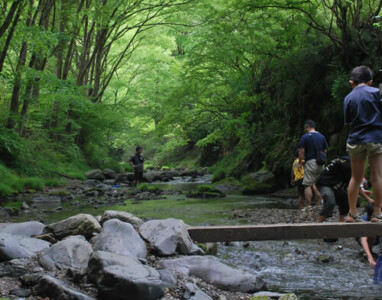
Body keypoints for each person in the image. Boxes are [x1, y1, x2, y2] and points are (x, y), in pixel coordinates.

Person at [344, 66, 382, 222]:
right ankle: (377, 212)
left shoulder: (348, 98)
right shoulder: (376, 93)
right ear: (370, 81)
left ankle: (352, 213)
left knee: (355, 178)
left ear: (352, 82)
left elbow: (348, 122)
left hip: (356, 139)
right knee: (377, 177)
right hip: (375, 138)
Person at [298, 120, 328, 209]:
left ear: (307, 126)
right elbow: (325, 151)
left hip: (310, 161)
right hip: (321, 162)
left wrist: (300, 163)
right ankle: (321, 203)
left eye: (305, 128)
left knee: (308, 184)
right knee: (320, 184)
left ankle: (308, 205)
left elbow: (301, 151)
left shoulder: (305, 137)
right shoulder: (322, 137)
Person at [315, 156, 351, 223]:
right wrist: (368, 199)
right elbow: (353, 185)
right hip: (324, 183)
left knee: (345, 201)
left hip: (335, 185)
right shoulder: (348, 164)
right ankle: (317, 223)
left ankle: (341, 224)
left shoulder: (346, 161)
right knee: (330, 201)